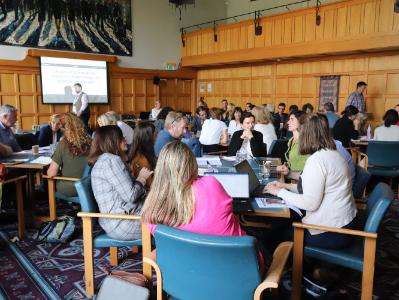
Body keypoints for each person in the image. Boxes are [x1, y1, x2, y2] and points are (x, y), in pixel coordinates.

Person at [265, 113, 357, 249]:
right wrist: (284, 185)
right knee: (283, 222)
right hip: (345, 224)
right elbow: (313, 188)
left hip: (331, 232)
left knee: (275, 236)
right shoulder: (333, 153)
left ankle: (299, 267)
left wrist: (279, 192)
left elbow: (310, 203)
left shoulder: (317, 160)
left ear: (306, 134)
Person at [142, 140, 246, 238]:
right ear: (192, 164)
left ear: (160, 170)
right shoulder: (210, 185)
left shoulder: (152, 211)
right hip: (236, 255)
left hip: (180, 257)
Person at [89, 125, 152, 240]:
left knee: (166, 209)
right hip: (123, 223)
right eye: (121, 137)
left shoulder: (107, 159)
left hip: (118, 219)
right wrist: (141, 179)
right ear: (112, 141)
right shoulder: (111, 161)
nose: (125, 140)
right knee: (168, 218)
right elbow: (131, 196)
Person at [46, 113, 91, 197]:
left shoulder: (63, 144)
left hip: (72, 187)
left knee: (50, 177)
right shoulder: (91, 142)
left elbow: (51, 173)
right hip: (90, 185)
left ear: (65, 129)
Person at [128, 122, 157, 189]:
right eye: (155, 135)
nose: (156, 137)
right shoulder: (141, 159)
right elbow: (149, 184)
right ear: (148, 138)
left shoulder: (140, 153)